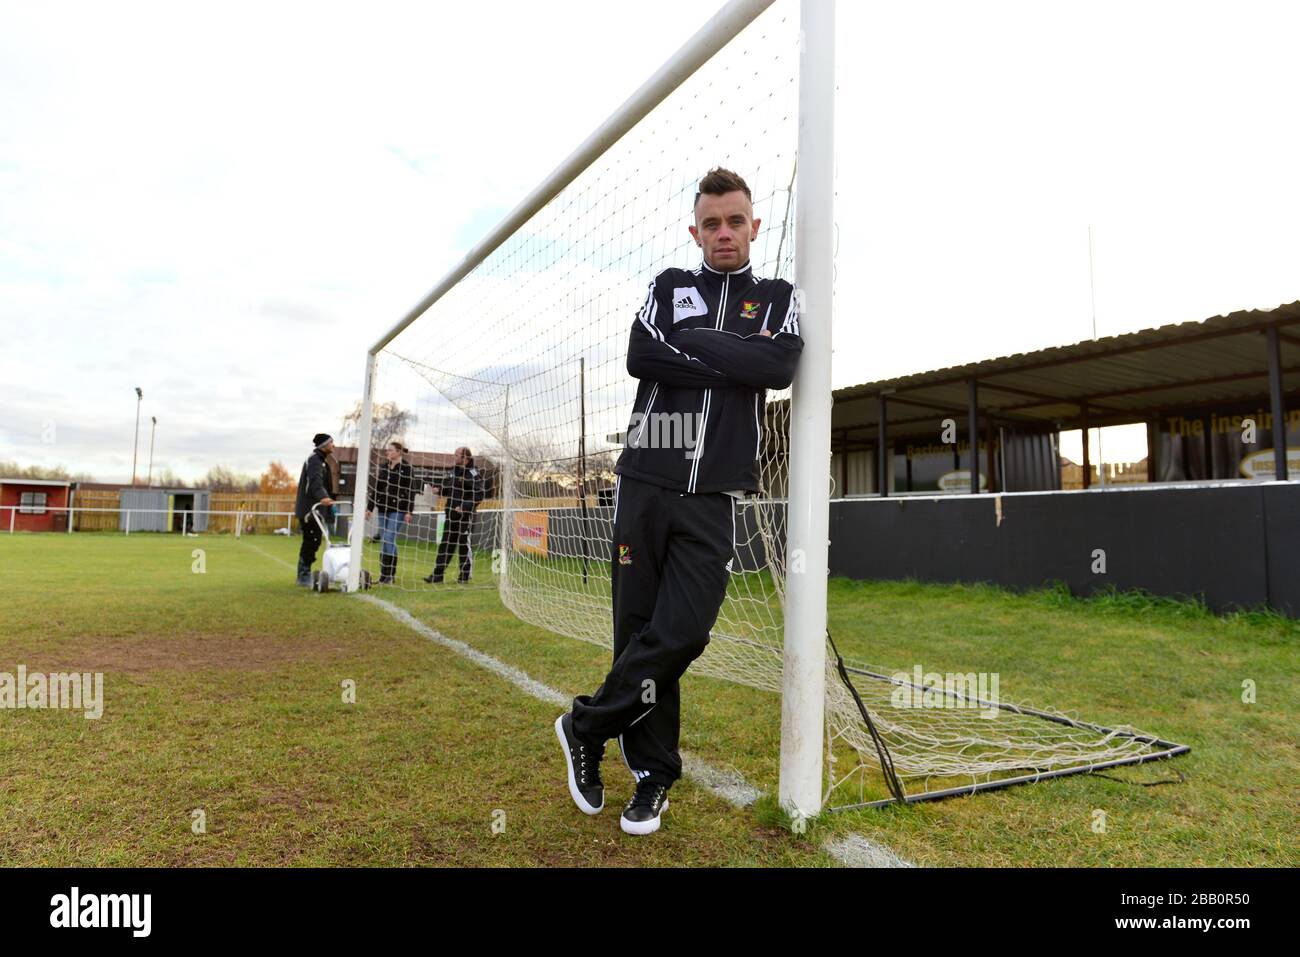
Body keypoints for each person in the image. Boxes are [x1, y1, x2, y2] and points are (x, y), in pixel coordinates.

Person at [555, 168, 803, 835]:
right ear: (695, 230)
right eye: (712, 223)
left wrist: (692, 346)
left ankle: (584, 724)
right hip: (645, 477)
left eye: (736, 221)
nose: (724, 233)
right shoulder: (669, 286)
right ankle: (652, 774)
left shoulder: (779, 298)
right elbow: (642, 353)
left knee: (684, 632)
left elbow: (778, 368)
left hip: (713, 493)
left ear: (754, 224)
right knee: (637, 632)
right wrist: (732, 360)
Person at [422, 446, 485, 584]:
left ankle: (464, 575)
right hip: (451, 514)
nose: (454, 457)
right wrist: (439, 490)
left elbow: (479, 494)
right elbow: (450, 489)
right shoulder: (454, 472)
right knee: (445, 544)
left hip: (465, 516)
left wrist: (464, 506)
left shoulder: (473, 474)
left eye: (456, 455)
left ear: (465, 458)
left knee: (463, 545)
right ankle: (437, 575)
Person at [365, 441, 416, 584]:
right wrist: (370, 508)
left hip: (399, 509)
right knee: (385, 540)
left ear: (399, 452)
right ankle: (384, 575)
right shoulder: (384, 467)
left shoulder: (407, 468)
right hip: (383, 508)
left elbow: (411, 491)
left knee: (388, 537)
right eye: (387, 450)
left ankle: (390, 576)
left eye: (390, 450)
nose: (387, 452)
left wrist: (409, 511)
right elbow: (377, 488)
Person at [294, 433, 337, 587]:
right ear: (324, 445)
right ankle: (303, 574)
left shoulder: (321, 461)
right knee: (311, 540)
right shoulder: (314, 460)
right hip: (309, 509)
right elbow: (314, 483)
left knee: (315, 540)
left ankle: (304, 572)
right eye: (331, 442)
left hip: (316, 509)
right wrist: (323, 497)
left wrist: (330, 499)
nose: (334, 445)